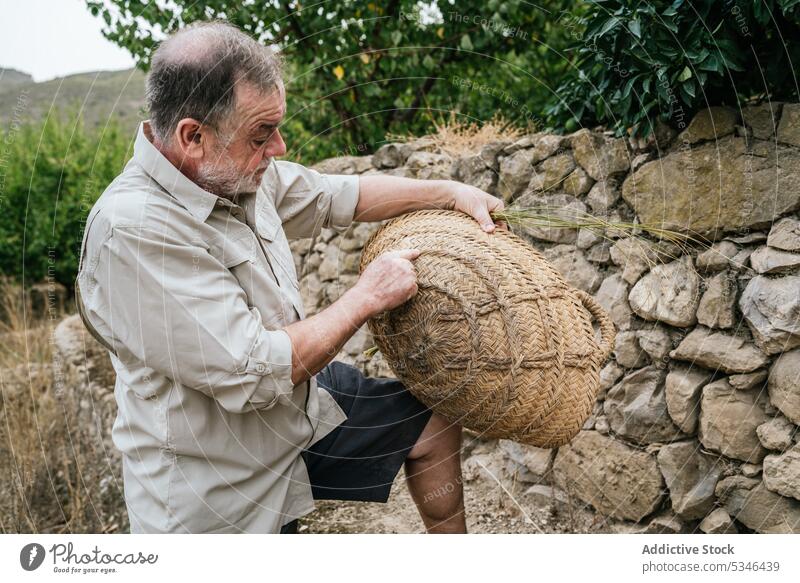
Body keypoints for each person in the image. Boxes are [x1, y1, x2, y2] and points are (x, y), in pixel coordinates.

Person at [77, 20, 504, 534]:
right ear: (193, 136)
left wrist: (448, 192)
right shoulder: (134, 230)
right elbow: (254, 371)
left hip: (295, 412)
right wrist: (366, 297)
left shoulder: (232, 170)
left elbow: (335, 195)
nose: (278, 147)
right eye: (261, 134)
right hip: (221, 491)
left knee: (431, 423)